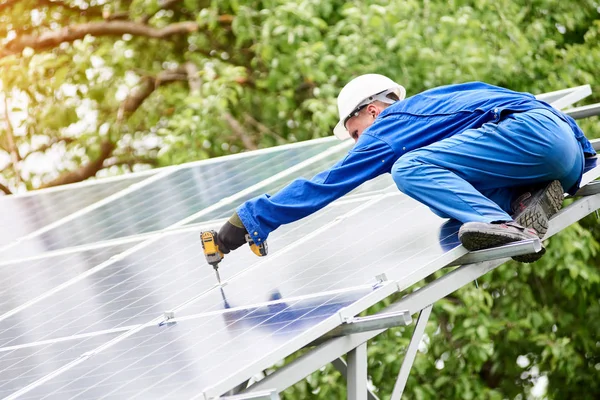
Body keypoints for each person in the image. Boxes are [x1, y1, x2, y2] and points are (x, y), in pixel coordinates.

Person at [216, 74, 595, 263]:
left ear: (373, 111)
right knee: (446, 201)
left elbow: (327, 183)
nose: (357, 144)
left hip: (529, 135)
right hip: (562, 151)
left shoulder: (389, 124)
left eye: (354, 133)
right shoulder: (438, 105)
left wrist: (251, 219)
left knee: (409, 168)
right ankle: (521, 201)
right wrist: (579, 161)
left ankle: (502, 224)